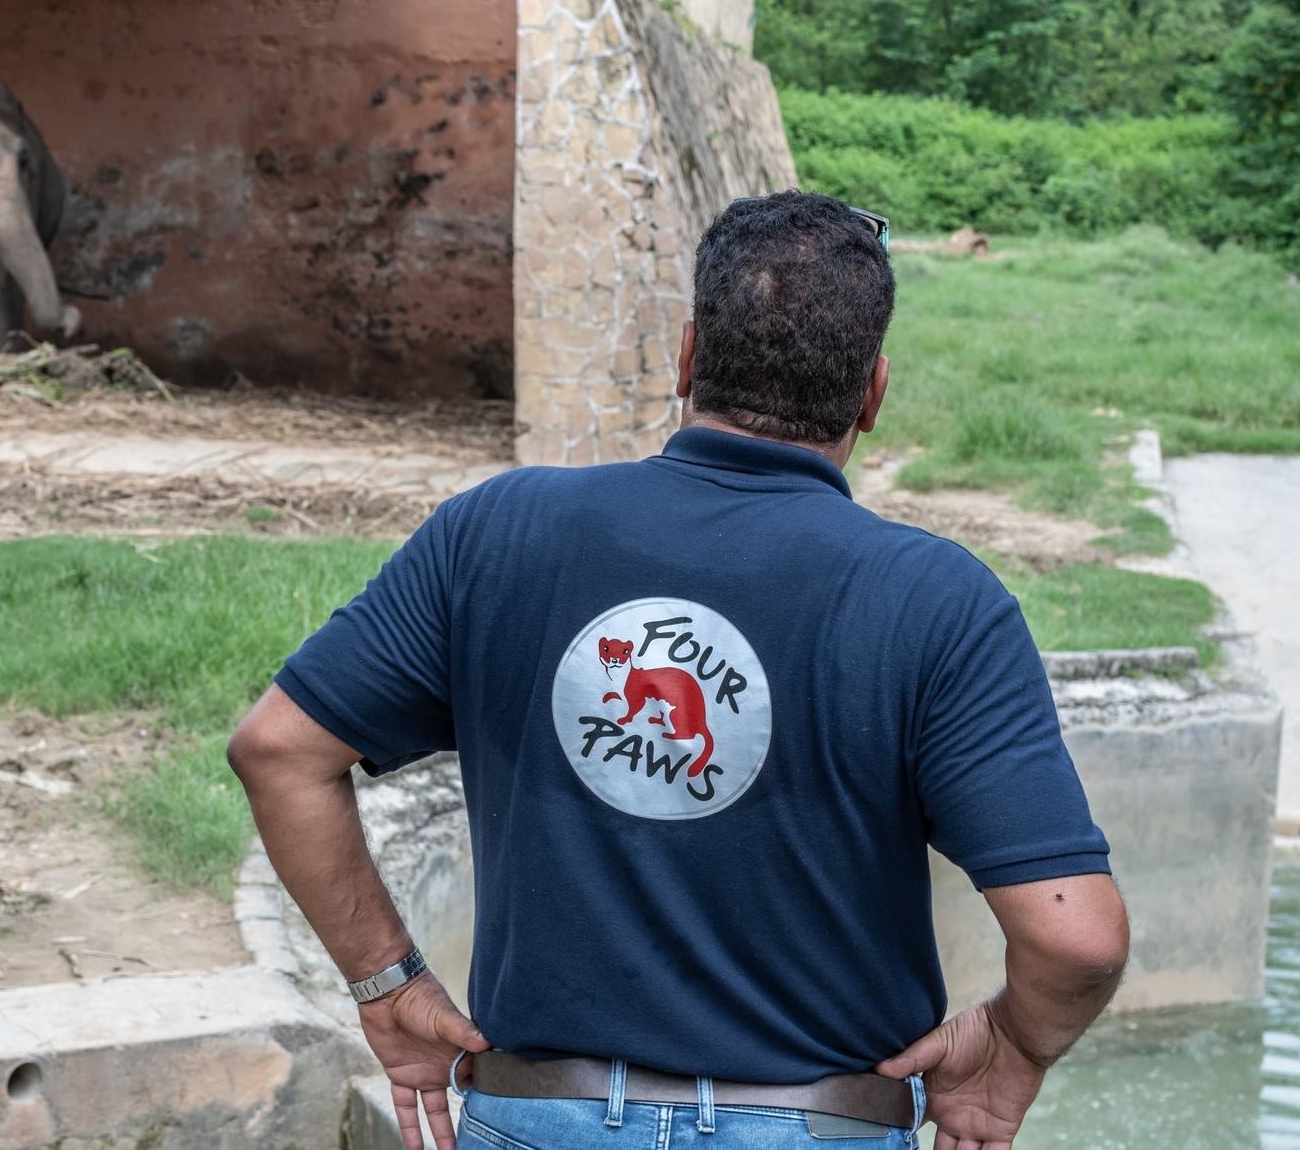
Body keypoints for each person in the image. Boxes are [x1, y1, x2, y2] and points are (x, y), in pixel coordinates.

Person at [227, 191, 1128, 1150]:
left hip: (534, 1117)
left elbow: (280, 750)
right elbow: (1075, 937)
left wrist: (387, 982)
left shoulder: (498, 531)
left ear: (689, 356)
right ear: (873, 392)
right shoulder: (938, 599)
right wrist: (1016, 1048)